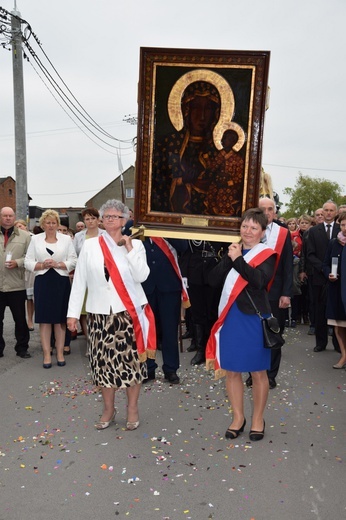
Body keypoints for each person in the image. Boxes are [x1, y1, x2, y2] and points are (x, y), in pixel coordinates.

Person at [67, 200, 156, 431]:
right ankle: (108, 409)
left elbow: (142, 276)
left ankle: (132, 408)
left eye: (115, 216)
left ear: (125, 220)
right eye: (106, 216)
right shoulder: (91, 245)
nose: (110, 220)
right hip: (98, 314)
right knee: (102, 365)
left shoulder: (136, 246)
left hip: (127, 314)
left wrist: (128, 249)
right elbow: (80, 281)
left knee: (132, 365)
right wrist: (73, 313)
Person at [206, 208, 277, 441]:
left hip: (253, 318)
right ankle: (238, 417)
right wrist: (230, 258)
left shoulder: (267, 254)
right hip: (231, 317)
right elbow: (212, 280)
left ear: (262, 232)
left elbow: (258, 282)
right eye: (245, 226)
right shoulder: (232, 251)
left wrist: (238, 260)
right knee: (233, 370)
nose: (248, 231)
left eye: (253, 227)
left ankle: (258, 419)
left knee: (258, 371)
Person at [152, 80, 222, 215]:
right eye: (196, 107)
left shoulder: (218, 149)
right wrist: (180, 181)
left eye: (207, 109)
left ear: (215, 113)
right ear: (186, 110)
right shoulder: (170, 143)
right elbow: (158, 183)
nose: (201, 116)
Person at [246, 197, 293, 389]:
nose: (266, 212)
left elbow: (288, 266)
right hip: (252, 293)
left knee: (273, 334)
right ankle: (253, 373)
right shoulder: (248, 232)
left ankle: (271, 375)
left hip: (275, 292)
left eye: (270, 209)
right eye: (262, 209)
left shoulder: (283, 234)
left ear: (275, 212)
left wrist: (286, 293)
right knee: (253, 335)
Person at [24, 209, 77, 368]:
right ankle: (47, 354)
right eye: (48, 222)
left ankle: (60, 353)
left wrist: (59, 264)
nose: (51, 225)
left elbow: (74, 260)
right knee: (45, 320)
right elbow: (27, 262)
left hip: (61, 281)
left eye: (54, 222)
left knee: (60, 320)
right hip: (42, 281)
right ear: (43, 224)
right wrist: (41, 265)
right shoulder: (35, 240)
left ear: (58, 224)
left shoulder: (66, 240)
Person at [141, 237, 189, 384]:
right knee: (148, 330)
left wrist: (163, 231)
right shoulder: (133, 227)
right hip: (145, 287)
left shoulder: (168, 227)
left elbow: (183, 246)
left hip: (169, 286)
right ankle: (148, 368)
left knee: (169, 330)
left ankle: (171, 369)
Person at [307, 200, 340, 352]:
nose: (328, 213)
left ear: (336, 212)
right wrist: (324, 269)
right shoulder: (314, 231)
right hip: (319, 277)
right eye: (325, 210)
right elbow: (310, 255)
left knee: (337, 311)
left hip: (338, 278)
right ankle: (320, 342)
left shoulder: (342, 229)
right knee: (319, 310)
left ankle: (338, 344)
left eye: (331, 210)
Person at [0, 207, 31, 359]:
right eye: (4, 215)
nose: (7, 218)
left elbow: (31, 258)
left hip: (16, 285)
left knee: (19, 319)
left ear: (14, 217)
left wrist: (18, 262)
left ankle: (22, 348)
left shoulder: (25, 236)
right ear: (0, 217)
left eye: (10, 216)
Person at [73, 207, 105, 342]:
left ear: (98, 220)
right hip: (83, 277)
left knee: (99, 309)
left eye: (93, 218)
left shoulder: (105, 235)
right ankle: (89, 341)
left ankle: (101, 339)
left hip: (101, 277)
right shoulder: (78, 236)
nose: (90, 221)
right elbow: (74, 256)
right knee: (84, 311)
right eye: (87, 219)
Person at [322, 211, 346, 368]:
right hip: (337, 290)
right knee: (339, 325)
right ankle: (344, 356)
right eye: (343, 225)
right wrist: (329, 273)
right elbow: (325, 264)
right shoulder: (334, 243)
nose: (345, 228)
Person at [14, 219, 35, 330]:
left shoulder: (33, 237)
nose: (19, 228)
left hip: (31, 271)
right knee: (25, 297)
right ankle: (28, 320)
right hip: (19, 271)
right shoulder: (14, 238)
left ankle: (32, 319)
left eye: (21, 226)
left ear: (26, 226)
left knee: (32, 297)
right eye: (17, 227)